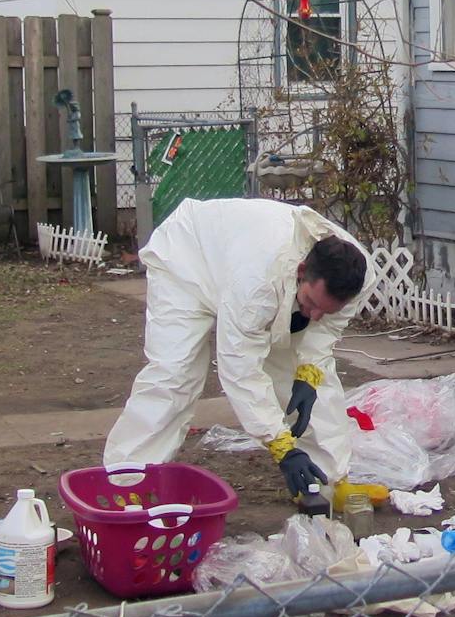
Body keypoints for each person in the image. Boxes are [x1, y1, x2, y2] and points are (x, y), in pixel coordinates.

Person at [104, 198, 368, 500]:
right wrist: (279, 445)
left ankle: (328, 480)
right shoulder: (257, 284)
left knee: (315, 378)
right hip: (188, 261)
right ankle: (126, 482)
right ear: (302, 270)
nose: (315, 316)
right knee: (175, 374)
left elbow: (325, 331)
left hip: (246, 267)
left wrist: (309, 371)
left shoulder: (358, 273)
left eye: (327, 309)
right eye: (311, 304)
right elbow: (241, 369)